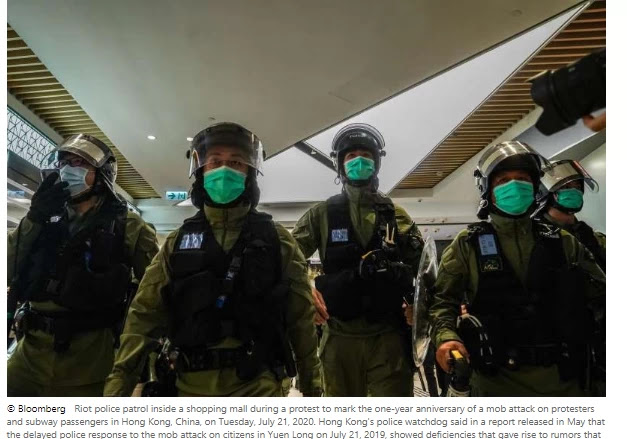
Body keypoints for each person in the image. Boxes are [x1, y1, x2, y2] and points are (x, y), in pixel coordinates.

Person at [104, 122, 321, 397]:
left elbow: (301, 321)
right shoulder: (177, 242)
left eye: (236, 162)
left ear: (249, 173)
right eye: (215, 162)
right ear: (201, 171)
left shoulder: (278, 241)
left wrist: (313, 389)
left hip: (258, 386)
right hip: (189, 386)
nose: (224, 170)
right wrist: (117, 391)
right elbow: (143, 317)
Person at [429, 141, 605, 397]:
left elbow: (601, 297)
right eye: (503, 180)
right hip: (494, 383)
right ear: (488, 190)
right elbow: (442, 302)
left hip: (564, 381)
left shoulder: (564, 242)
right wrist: (447, 337)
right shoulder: (467, 245)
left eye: (522, 179)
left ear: (535, 187)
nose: (514, 186)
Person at [7, 134, 159, 397]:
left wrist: (136, 360)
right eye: (64, 162)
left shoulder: (129, 225)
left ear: (102, 174)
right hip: (27, 360)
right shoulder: (42, 218)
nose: (68, 169)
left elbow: (153, 296)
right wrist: (34, 218)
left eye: (79, 163)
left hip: (90, 365)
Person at [292, 123, 424, 397]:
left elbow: (424, 271)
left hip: (388, 337)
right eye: (351, 156)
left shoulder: (396, 215)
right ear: (340, 165)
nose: (359, 161)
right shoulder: (321, 214)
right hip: (339, 338)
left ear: (376, 163)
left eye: (366, 155)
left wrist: (419, 307)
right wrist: (306, 292)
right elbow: (288, 260)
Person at [533, 159, 605, 272]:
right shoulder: (537, 239)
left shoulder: (588, 234)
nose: (574, 191)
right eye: (566, 187)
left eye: (577, 186)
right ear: (545, 193)